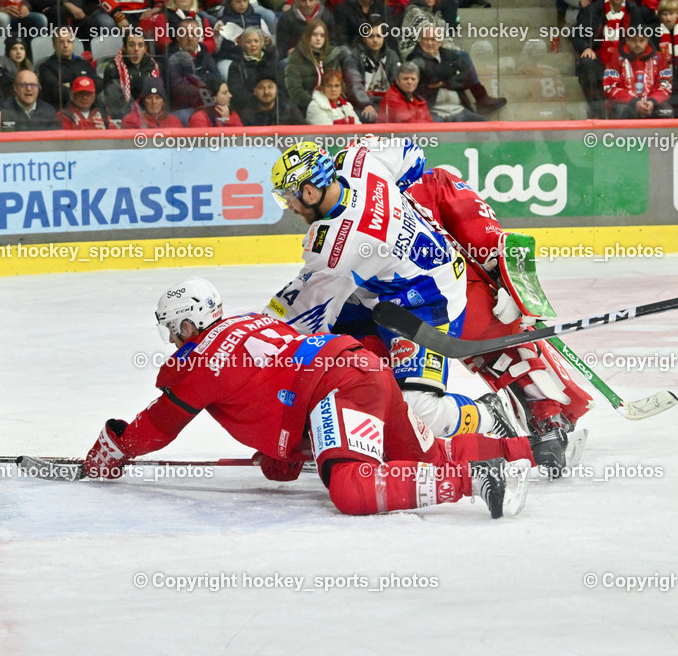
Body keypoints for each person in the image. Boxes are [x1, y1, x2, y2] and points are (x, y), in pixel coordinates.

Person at [83, 279, 573, 518]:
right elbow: (272, 385)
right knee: (423, 455)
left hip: (337, 388)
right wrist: (287, 449)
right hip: (361, 371)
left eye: (174, 330)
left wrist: (109, 451)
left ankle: (476, 479)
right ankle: (534, 451)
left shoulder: (198, 358)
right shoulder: (251, 320)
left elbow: (159, 425)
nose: (173, 340)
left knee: (351, 487)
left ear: (189, 323)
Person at [265, 140, 528, 440]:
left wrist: (254, 337)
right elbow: (413, 154)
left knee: (418, 410)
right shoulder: (357, 159)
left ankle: (489, 415)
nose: (290, 206)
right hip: (404, 281)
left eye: (289, 197)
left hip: (429, 303)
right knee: (334, 337)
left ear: (309, 191)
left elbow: (301, 313)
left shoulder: (337, 247)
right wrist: (389, 204)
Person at [407, 167, 594, 436]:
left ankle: (373, 432)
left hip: (392, 317)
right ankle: (549, 418)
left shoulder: (343, 201)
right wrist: (509, 283)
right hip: (456, 303)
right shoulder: (428, 181)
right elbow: (486, 237)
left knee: (371, 368)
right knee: (505, 338)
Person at [574, 0, 651, 118]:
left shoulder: (633, 10)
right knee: (586, 62)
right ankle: (597, 112)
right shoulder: (592, 10)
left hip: (624, 60)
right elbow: (578, 36)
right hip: (598, 57)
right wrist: (586, 47)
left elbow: (640, 37)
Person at [408, 26, 497, 121]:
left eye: (434, 39)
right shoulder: (415, 58)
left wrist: (445, 83)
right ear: (420, 41)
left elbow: (468, 77)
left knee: (485, 125)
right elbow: (431, 77)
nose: (430, 43)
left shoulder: (450, 55)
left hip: (458, 109)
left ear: (440, 41)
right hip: (433, 111)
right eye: (426, 39)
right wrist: (451, 74)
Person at [603, 23, 674, 118]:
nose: (637, 44)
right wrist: (634, 102)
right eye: (633, 40)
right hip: (626, 104)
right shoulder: (616, 57)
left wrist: (652, 101)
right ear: (627, 41)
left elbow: (665, 85)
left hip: (652, 103)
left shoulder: (659, 57)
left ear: (647, 40)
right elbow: (610, 87)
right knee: (622, 111)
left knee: (666, 111)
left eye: (641, 40)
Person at [343, 16, 399, 122]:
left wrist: (386, 106)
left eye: (379, 36)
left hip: (387, 105)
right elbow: (354, 85)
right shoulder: (354, 57)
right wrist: (366, 104)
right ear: (364, 38)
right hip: (362, 106)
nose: (375, 40)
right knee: (368, 116)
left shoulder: (392, 56)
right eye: (370, 36)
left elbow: (396, 85)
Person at [284, 18, 345, 115]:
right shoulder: (296, 58)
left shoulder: (332, 56)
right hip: (306, 109)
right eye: (314, 35)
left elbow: (340, 85)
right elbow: (294, 89)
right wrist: (314, 105)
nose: (318, 38)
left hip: (332, 107)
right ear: (307, 36)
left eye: (322, 35)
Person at [103, 31, 163, 120]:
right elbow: (115, 104)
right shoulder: (113, 68)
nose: (136, 49)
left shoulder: (153, 67)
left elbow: (161, 97)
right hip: (124, 119)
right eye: (131, 45)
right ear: (124, 48)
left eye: (140, 45)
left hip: (150, 117)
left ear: (145, 49)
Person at [167, 17, 221, 113]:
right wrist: (204, 77)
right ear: (178, 37)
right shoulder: (170, 57)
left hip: (205, 105)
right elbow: (177, 88)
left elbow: (216, 80)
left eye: (194, 34)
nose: (190, 38)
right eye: (185, 34)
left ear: (199, 36)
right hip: (181, 107)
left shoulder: (205, 54)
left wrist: (191, 79)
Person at [38, 27, 102, 108]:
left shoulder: (83, 63)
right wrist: (85, 87)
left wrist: (71, 84)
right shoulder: (46, 67)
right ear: (54, 45)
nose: (65, 45)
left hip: (89, 110)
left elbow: (99, 83)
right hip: (63, 112)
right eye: (61, 42)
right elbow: (57, 92)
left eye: (69, 41)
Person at [226, 26, 277, 115]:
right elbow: (236, 92)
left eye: (256, 41)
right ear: (242, 44)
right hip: (249, 107)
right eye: (248, 42)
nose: (253, 44)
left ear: (261, 43)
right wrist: (259, 101)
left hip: (272, 103)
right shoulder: (236, 65)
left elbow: (279, 84)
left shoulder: (270, 59)